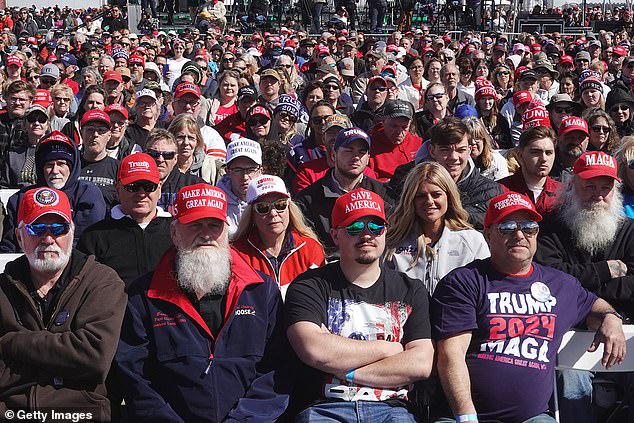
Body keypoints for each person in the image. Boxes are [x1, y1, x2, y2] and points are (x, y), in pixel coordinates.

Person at [431, 191, 626, 423]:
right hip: (462, 417)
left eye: (529, 227)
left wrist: (612, 318)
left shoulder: (559, 284)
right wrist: (466, 417)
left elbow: (595, 305)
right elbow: (451, 356)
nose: (519, 234)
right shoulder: (464, 282)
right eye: (507, 227)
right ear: (488, 234)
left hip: (532, 418)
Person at [116, 183, 293, 421]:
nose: (206, 234)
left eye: (214, 225)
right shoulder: (144, 295)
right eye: (195, 225)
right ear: (175, 233)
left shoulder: (262, 291)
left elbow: (277, 370)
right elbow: (135, 377)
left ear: (226, 232)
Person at [285, 188, 434, 420]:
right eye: (354, 227)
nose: (366, 235)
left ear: (385, 232)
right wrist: (389, 350)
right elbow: (313, 349)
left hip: (392, 409)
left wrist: (342, 366)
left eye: (375, 227)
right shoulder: (310, 286)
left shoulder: (411, 290)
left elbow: (421, 364)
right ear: (335, 235)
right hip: (325, 408)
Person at [0, 186, 126, 421]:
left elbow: (94, 359)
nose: (48, 238)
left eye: (59, 228)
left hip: (82, 414)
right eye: (37, 228)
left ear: (72, 232)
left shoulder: (102, 282)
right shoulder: (2, 289)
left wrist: (12, 343)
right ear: (19, 236)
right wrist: (65, 362)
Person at [385, 161, 489, 294]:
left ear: (449, 196)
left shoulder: (472, 241)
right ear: (410, 200)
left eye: (436, 194)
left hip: (456, 313)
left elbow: (485, 291)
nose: (429, 201)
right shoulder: (393, 241)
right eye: (420, 196)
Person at [1, 130, 107, 252]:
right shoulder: (20, 199)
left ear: (72, 168)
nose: (55, 171)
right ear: (41, 169)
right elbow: (9, 246)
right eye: (49, 165)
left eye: (61, 164)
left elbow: (88, 241)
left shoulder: (88, 194)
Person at [77, 153, 172, 287]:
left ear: (160, 189)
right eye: (132, 186)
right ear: (117, 189)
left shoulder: (177, 231)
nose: (141, 194)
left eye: (149, 186)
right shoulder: (94, 236)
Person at [296, 127, 391, 257]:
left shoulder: (382, 195)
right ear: (334, 155)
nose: (356, 157)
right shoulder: (308, 199)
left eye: (361, 152)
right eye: (349, 151)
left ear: (368, 158)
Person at [232, 175, 325, 300]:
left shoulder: (310, 249)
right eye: (263, 208)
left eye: (280, 205)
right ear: (252, 214)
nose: (273, 213)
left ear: (289, 208)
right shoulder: (237, 254)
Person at [499, 126, 561, 216]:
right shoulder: (500, 191)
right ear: (520, 156)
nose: (543, 159)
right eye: (535, 152)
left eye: (548, 153)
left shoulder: (563, 193)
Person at [144, 128, 204, 214]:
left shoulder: (194, 186)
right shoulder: (133, 186)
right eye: (154, 154)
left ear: (175, 159)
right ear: (144, 154)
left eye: (168, 155)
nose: (160, 159)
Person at [217, 138, 263, 239]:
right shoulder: (216, 202)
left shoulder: (272, 199)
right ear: (227, 171)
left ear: (260, 171)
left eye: (251, 170)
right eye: (238, 170)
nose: (245, 177)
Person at [368, 100, 422, 182]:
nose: (399, 131)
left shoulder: (419, 144)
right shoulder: (368, 144)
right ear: (383, 121)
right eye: (394, 126)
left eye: (404, 127)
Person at [78, 109, 119, 211]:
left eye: (101, 130)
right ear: (81, 132)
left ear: (109, 135)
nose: (95, 135)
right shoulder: (71, 166)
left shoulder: (118, 168)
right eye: (90, 130)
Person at [3, 103, 49, 189]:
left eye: (42, 120)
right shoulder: (12, 155)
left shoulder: (52, 153)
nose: (36, 123)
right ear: (24, 124)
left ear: (47, 125)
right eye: (32, 119)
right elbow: (4, 185)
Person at [551, 116, 590, 182]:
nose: (575, 142)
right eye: (570, 137)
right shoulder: (548, 161)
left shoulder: (594, 163)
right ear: (559, 138)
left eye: (580, 138)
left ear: (588, 141)